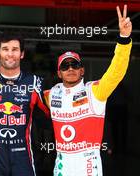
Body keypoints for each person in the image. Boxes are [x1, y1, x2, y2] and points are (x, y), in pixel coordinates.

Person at [45, 5, 132, 176]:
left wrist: (124, 38)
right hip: (61, 166)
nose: (70, 68)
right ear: (59, 72)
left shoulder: (95, 91)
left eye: (74, 64)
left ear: (82, 70)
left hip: (88, 167)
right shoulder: (51, 93)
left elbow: (116, 72)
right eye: (65, 66)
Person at [0, 33, 50, 176]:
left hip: (24, 157)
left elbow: (50, 119)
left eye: (15, 49)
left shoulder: (36, 83)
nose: (10, 54)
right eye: (5, 49)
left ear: (22, 54)